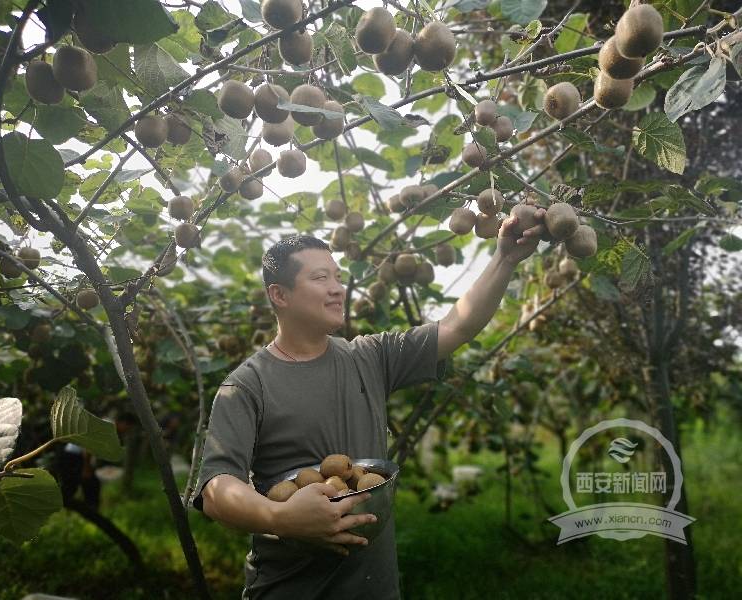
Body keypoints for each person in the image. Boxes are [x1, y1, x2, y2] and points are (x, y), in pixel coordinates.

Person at [190, 208, 545, 599]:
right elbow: (217, 490)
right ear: (280, 294)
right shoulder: (247, 385)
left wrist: (505, 258)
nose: (337, 288)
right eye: (320, 277)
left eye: (338, 277)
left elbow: (456, 327)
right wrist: (281, 517)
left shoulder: (370, 356)